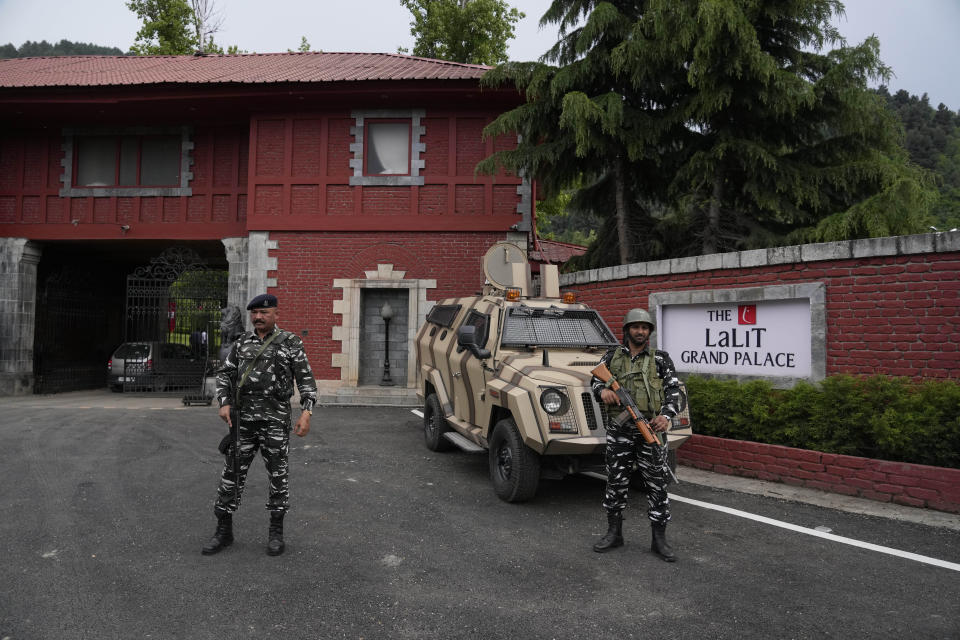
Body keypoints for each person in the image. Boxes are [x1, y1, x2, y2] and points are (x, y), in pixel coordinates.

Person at [202, 293, 317, 557]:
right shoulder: (242, 342)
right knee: (231, 476)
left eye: (264, 313)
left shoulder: (290, 343)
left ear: (276, 314)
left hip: (275, 421)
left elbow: (307, 381)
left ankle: (276, 533)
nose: (258, 318)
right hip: (243, 423)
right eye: (254, 313)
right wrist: (224, 402)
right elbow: (226, 374)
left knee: (278, 477)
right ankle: (223, 531)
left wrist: (306, 413)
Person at [590, 308, 682, 561]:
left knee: (657, 485)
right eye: (635, 327)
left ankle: (659, 540)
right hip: (620, 430)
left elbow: (674, 392)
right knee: (616, 482)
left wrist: (666, 416)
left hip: (650, 428)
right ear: (627, 329)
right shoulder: (612, 357)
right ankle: (614, 533)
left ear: (649, 331)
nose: (640, 331)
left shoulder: (661, 359)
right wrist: (603, 391)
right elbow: (595, 380)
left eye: (645, 327)